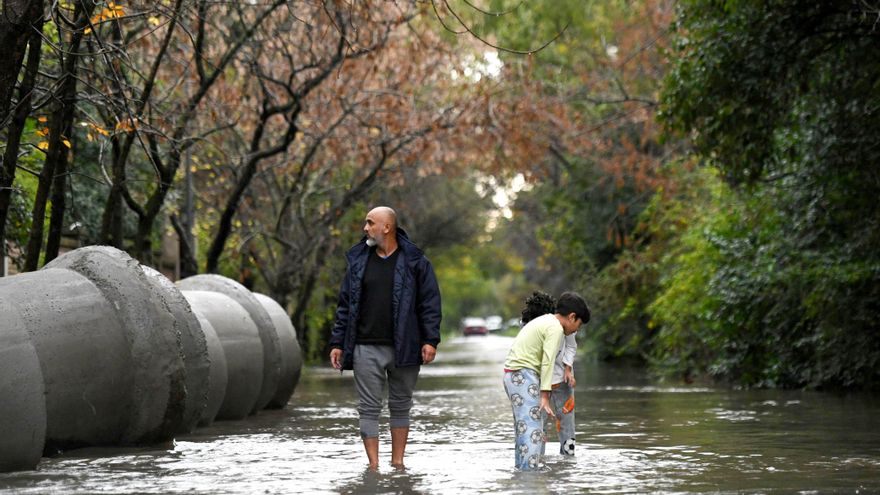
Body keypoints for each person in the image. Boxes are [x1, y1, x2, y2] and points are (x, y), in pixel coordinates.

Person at [329, 206, 442, 470]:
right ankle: (373, 467)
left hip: (406, 346)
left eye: (370, 223)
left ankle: (398, 463)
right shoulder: (358, 261)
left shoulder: (416, 262)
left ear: (387, 227)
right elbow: (345, 305)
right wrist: (337, 343)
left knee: (401, 405)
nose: (365, 228)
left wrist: (430, 340)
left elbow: (430, 303)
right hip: (365, 346)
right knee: (368, 408)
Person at [503, 291, 589, 470]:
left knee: (524, 427)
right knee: (533, 428)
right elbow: (548, 361)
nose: (577, 329)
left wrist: (566, 369)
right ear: (572, 317)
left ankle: (522, 472)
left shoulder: (547, 321)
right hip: (523, 375)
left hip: (514, 374)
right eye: (579, 324)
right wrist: (544, 395)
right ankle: (530, 474)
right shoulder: (556, 328)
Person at [519, 291, 583, 457]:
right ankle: (538, 458)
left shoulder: (565, 327)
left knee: (566, 421)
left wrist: (568, 369)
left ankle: (568, 458)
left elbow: (571, 346)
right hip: (539, 382)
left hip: (562, 380)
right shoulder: (530, 328)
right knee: (539, 423)